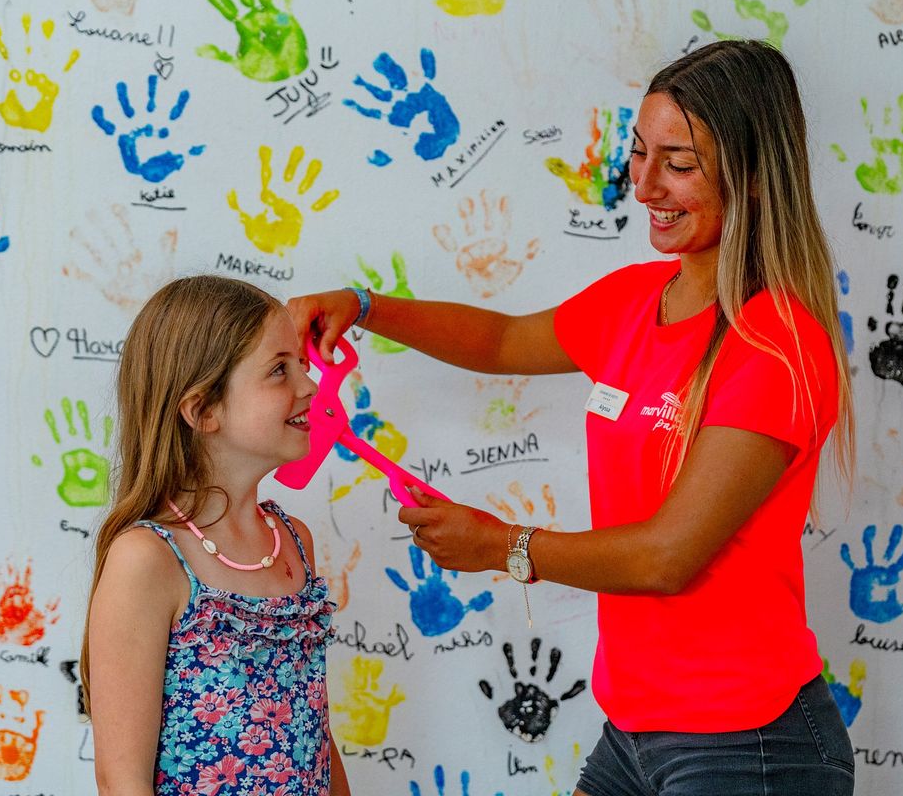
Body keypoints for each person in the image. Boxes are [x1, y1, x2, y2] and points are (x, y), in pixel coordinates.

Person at [290, 39, 854, 796]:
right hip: (633, 733)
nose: (644, 184)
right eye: (639, 152)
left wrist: (502, 547)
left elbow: (666, 557)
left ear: (754, 177)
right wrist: (362, 307)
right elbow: (500, 340)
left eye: (678, 163)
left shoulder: (776, 345)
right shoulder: (632, 302)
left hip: (749, 743)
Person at [82, 275, 350, 796]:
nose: (310, 386)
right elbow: (121, 780)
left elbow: (313, 732)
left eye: (303, 364)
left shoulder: (294, 542)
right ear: (203, 410)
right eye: (279, 370)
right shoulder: (147, 560)